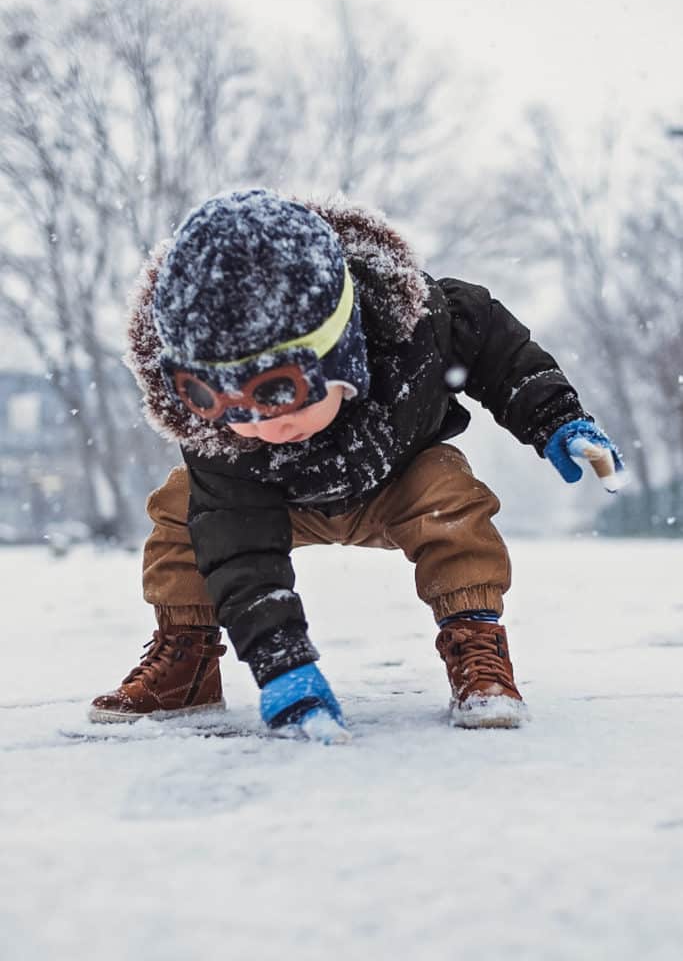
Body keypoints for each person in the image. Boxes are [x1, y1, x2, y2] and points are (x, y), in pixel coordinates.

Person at [90, 189, 623, 742]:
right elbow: (241, 550)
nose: (264, 425)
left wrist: (557, 419)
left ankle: (476, 647)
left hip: (399, 484)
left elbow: (500, 351)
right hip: (277, 503)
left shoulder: (419, 330)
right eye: (224, 400)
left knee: (451, 495)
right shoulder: (224, 437)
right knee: (184, 509)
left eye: (281, 390)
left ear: (341, 351)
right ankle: (189, 663)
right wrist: (283, 666)